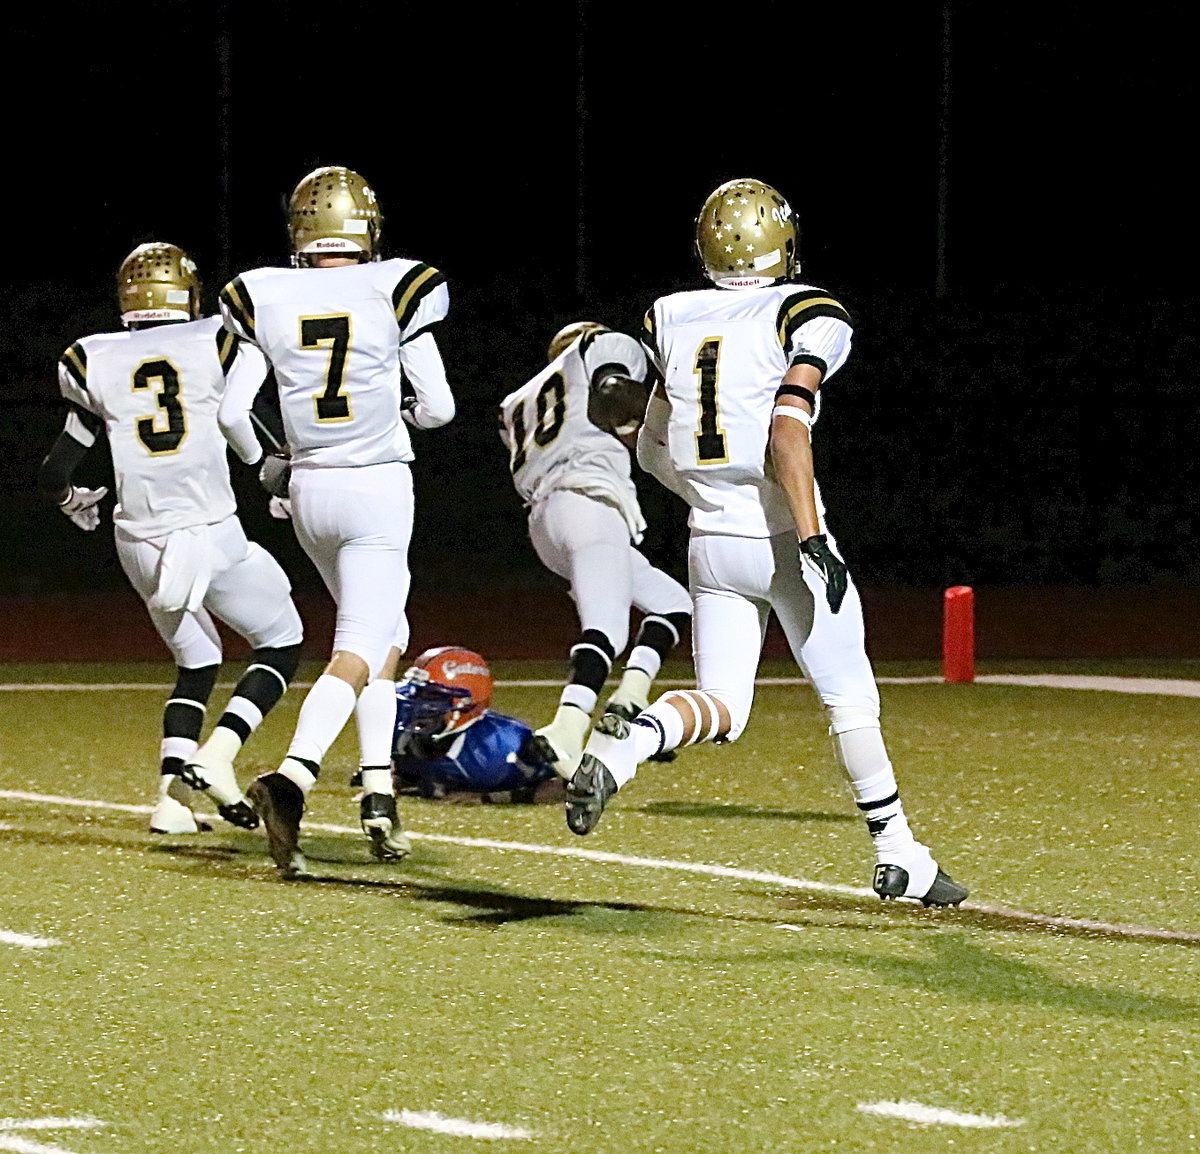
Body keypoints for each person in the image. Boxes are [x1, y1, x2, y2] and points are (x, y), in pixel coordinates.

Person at [565, 178, 968, 908]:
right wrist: (812, 538)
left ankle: (626, 745)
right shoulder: (806, 310)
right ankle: (897, 853)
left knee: (722, 704)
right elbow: (787, 427)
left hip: (709, 543)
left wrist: (701, 496)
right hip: (780, 534)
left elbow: (652, 442)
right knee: (850, 699)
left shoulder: (671, 315)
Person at [200, 165, 454, 877]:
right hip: (375, 486)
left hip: (309, 488)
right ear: (366, 227)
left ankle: (378, 789)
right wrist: (397, 414)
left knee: (386, 636)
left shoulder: (263, 292)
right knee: (361, 641)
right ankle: (294, 779)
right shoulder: (393, 286)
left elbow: (229, 412)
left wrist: (270, 461)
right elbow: (439, 406)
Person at [38, 242, 304, 834]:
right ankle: (216, 757)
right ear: (188, 293)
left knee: (197, 658)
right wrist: (275, 469)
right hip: (207, 532)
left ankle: (170, 800)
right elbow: (240, 415)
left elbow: (55, 473)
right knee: (283, 640)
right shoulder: (214, 338)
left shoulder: (91, 358)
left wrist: (71, 502)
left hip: (138, 541)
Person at [498, 322, 692, 780]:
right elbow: (615, 392)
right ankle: (568, 726)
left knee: (673, 604)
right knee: (608, 628)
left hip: (545, 521)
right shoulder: (599, 346)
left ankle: (630, 698)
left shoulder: (515, 403)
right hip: (588, 501)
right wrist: (673, 429)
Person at [391, 646, 562, 803]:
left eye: (432, 697)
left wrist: (489, 798)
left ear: (467, 704)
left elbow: (566, 786)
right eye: (417, 693)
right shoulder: (403, 733)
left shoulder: (503, 746)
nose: (418, 704)